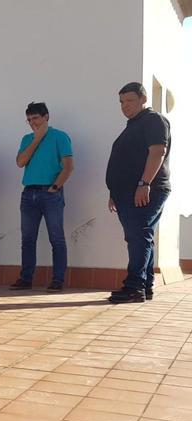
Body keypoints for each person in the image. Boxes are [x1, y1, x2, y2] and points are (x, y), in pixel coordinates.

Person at [106, 82, 171, 303]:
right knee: (142, 237)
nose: (125, 106)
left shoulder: (153, 120)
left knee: (138, 236)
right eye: (121, 102)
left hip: (145, 189)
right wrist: (114, 191)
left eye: (130, 100)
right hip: (128, 192)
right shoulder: (133, 124)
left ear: (143, 99)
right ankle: (145, 286)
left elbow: (158, 151)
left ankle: (134, 287)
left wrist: (144, 184)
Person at [10, 102, 74, 292]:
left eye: (36, 118)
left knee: (57, 238)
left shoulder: (60, 137)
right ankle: (26, 278)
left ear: (46, 117)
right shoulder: (27, 138)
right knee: (28, 238)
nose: (32, 123)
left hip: (50, 193)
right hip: (29, 193)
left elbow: (68, 166)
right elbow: (20, 162)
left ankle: (58, 280)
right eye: (29, 120)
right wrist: (37, 139)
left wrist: (56, 187)